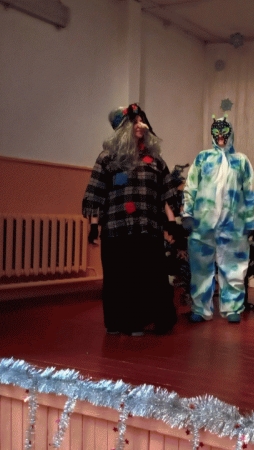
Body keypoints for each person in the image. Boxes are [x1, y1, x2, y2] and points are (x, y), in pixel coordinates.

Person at [82, 103, 180, 336]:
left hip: (147, 228)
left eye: (142, 121)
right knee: (118, 277)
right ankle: (117, 322)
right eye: (135, 122)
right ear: (124, 128)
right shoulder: (108, 158)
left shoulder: (155, 160)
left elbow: (166, 193)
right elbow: (96, 193)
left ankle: (141, 321)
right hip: (116, 229)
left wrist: (171, 222)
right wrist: (94, 227)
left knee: (146, 276)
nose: (141, 125)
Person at [182, 115, 254, 324]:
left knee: (234, 267)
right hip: (203, 223)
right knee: (200, 268)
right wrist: (187, 213)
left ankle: (232, 307)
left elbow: (250, 191)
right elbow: (191, 186)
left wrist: (250, 220)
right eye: (217, 133)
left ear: (230, 133)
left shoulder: (241, 161)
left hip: (233, 224)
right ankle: (200, 308)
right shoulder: (203, 158)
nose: (221, 137)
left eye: (225, 132)